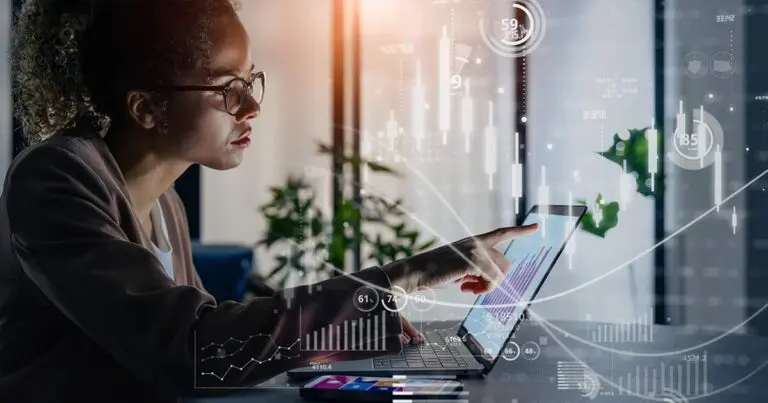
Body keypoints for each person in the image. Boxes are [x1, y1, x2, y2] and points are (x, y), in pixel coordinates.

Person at [0, 0, 538, 402]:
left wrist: (350, 327)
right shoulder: (54, 180)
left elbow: (217, 340)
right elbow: (194, 352)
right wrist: (406, 275)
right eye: (228, 89)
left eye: (250, 81)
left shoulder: (166, 205)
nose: (251, 107)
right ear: (146, 108)